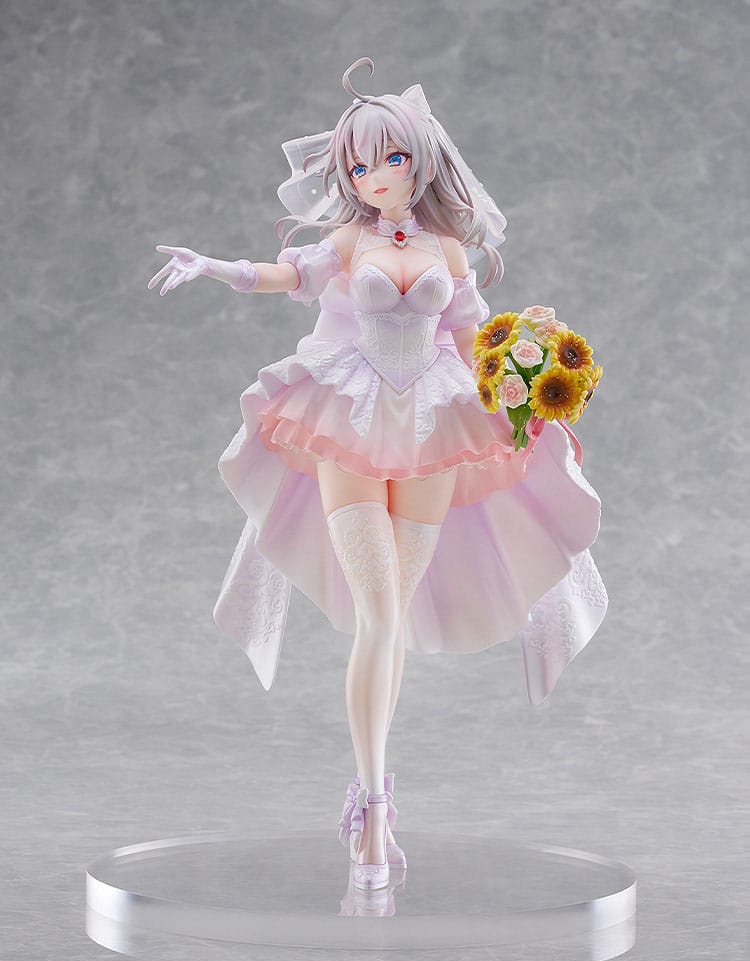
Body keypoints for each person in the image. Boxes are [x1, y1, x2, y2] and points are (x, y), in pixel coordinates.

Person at [148, 57, 608, 892]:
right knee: (381, 611)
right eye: (358, 166)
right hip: (349, 419)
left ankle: (376, 803)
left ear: (419, 160)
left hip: (432, 425)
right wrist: (217, 267)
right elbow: (289, 276)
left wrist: (527, 390)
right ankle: (371, 808)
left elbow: (472, 341)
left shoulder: (447, 251)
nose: (372, 177)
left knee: (390, 620)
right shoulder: (349, 241)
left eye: (388, 159)